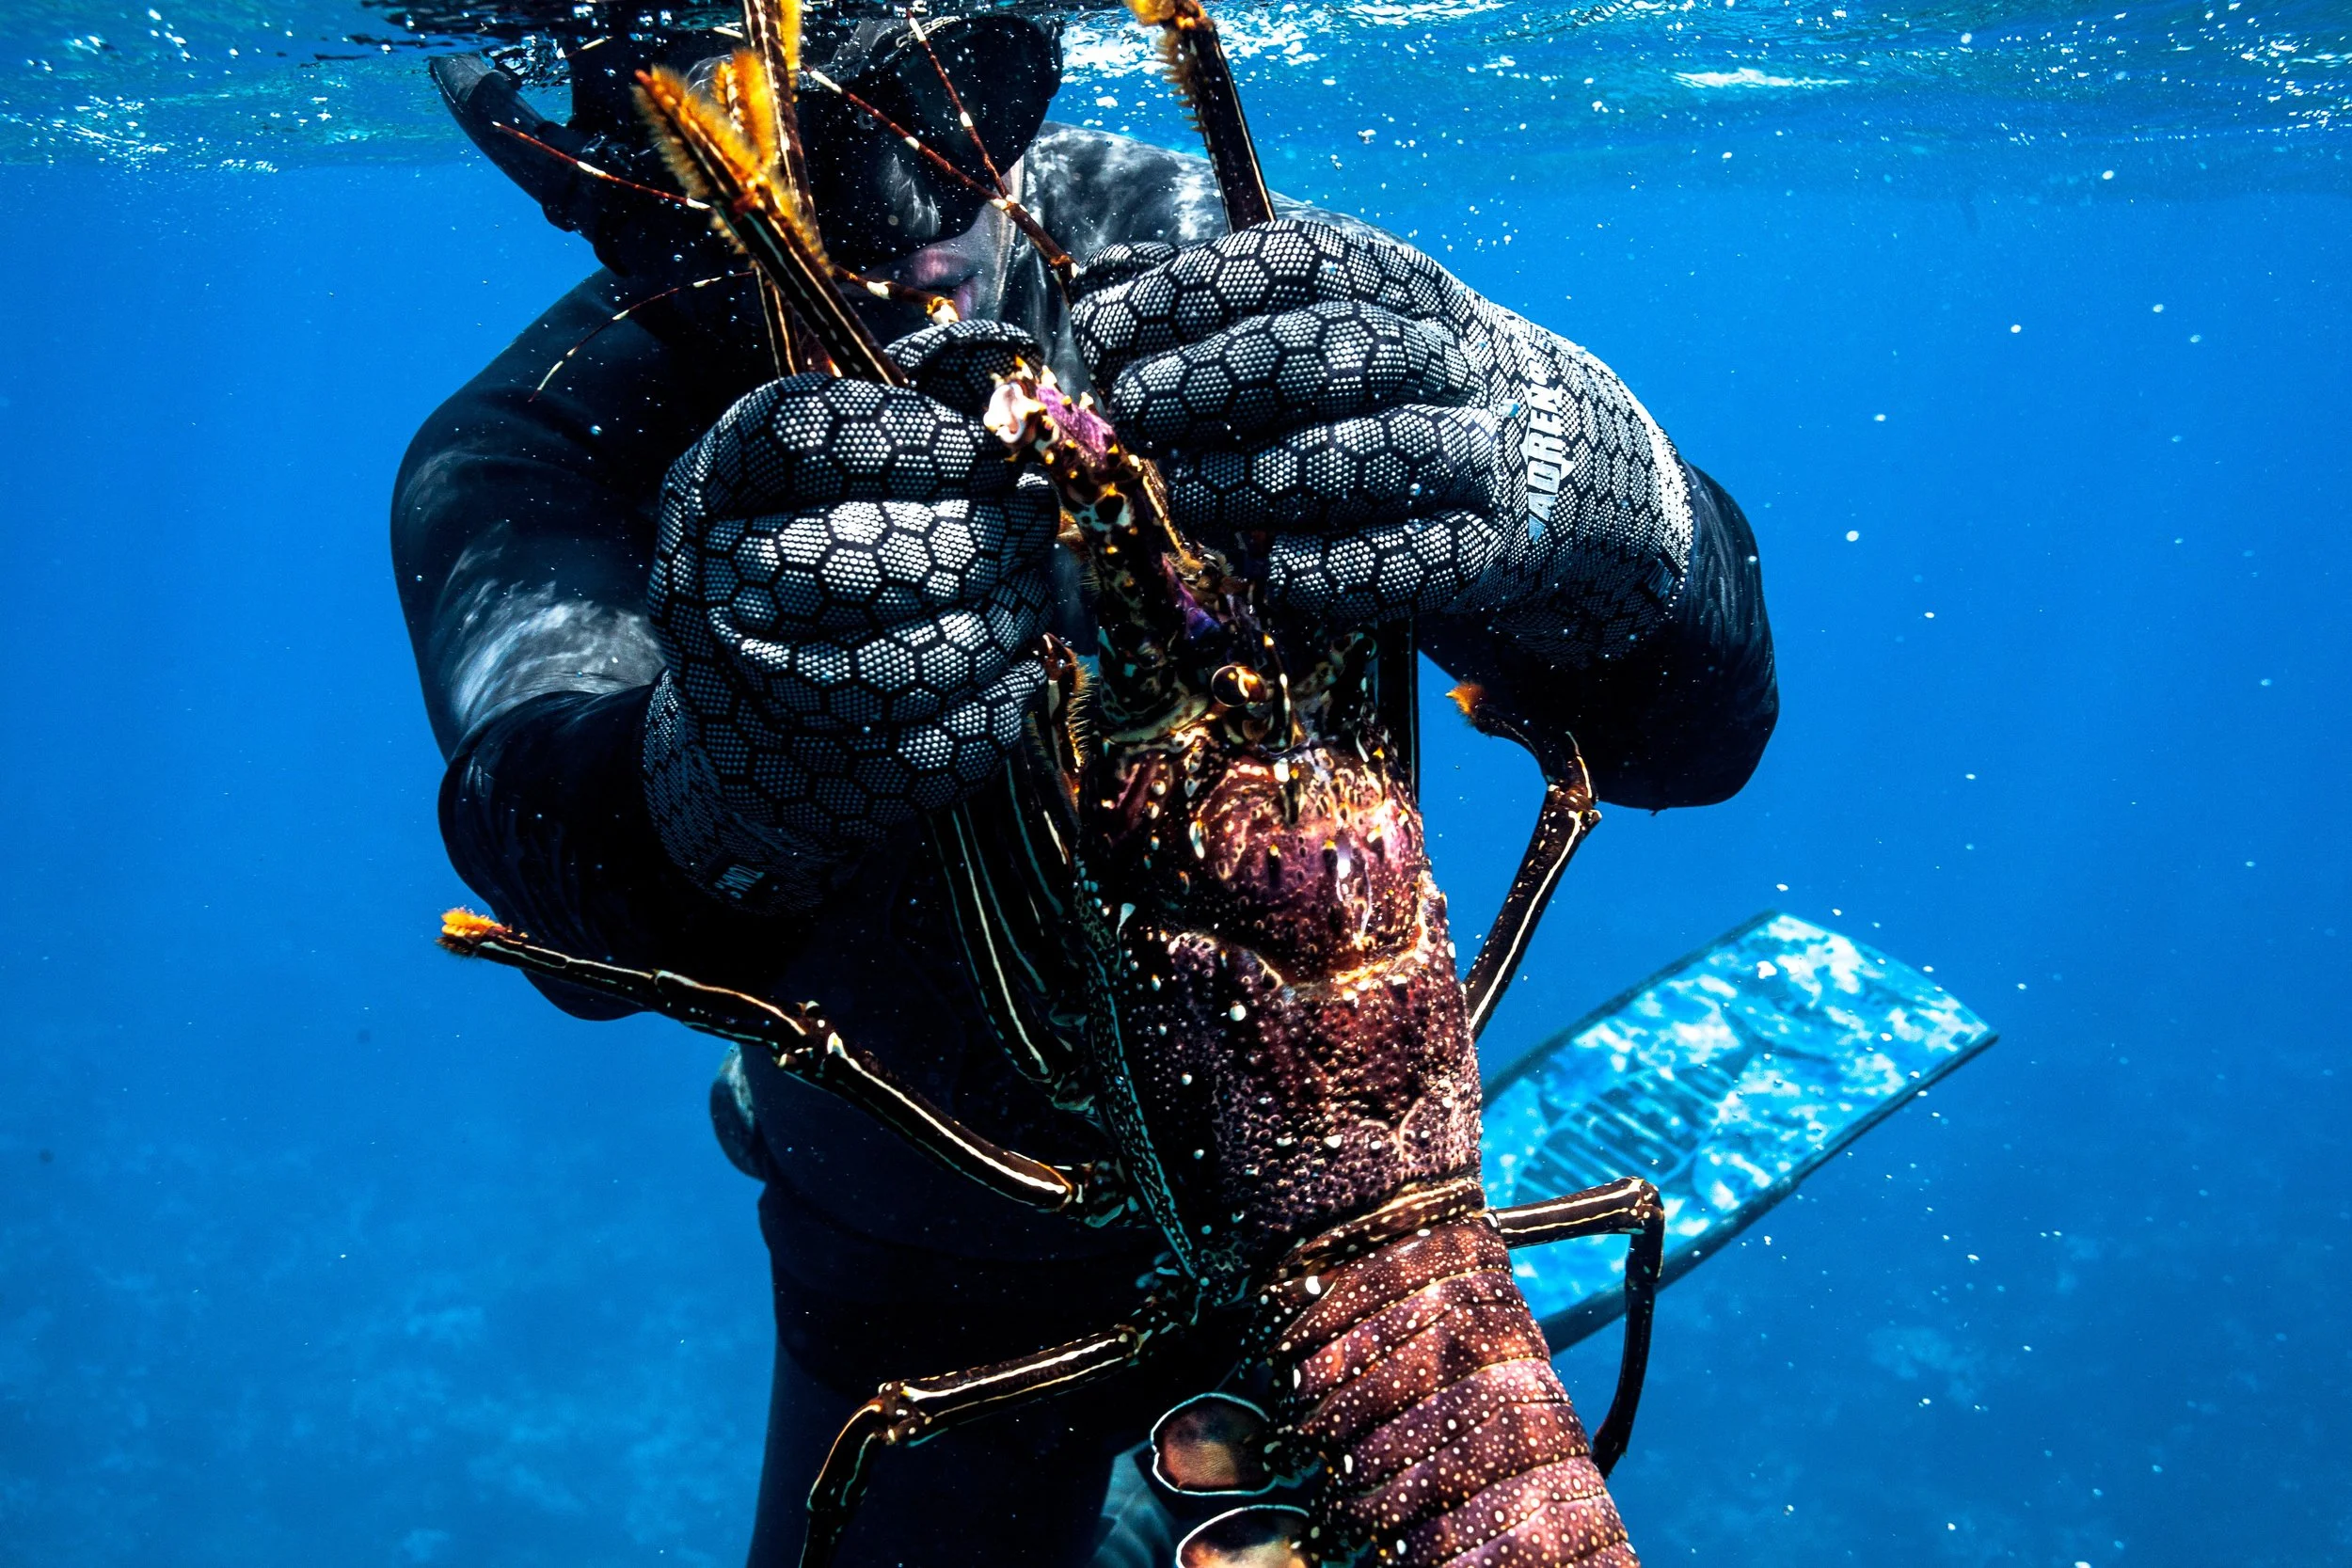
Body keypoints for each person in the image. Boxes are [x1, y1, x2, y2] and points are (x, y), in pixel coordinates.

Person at [396, 16, 1776, 1566]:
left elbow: (1683, 742)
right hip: (924, 1285)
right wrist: (700, 779)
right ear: (597, 171)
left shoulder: (1192, 267)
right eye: (801, 153)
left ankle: (1206, 1466)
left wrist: (1578, 481)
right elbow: (532, 806)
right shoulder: (542, 443)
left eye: (947, 93)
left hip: (1362, 1192)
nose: (912, 218)